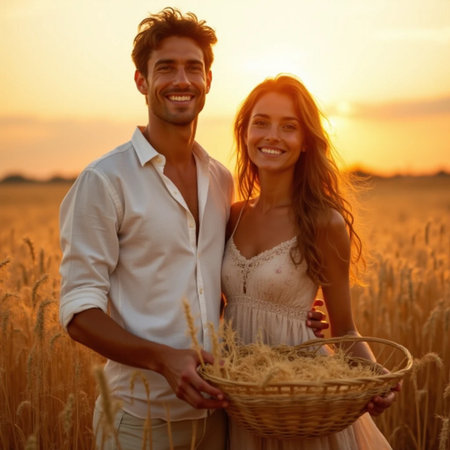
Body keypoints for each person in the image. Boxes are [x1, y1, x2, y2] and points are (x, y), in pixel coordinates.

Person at [58, 8, 326, 450]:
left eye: (193, 68)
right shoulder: (104, 181)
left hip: (225, 412)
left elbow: (213, 290)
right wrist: (163, 360)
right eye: (165, 68)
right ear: (142, 81)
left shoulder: (220, 178)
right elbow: (79, 314)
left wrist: (285, 309)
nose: (181, 80)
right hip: (142, 419)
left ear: (208, 80)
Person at [221, 74, 398, 449]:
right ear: (245, 132)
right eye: (261, 122)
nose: (272, 136)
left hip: (300, 396)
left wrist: (374, 375)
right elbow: (213, 302)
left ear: (305, 143)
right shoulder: (231, 215)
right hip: (240, 395)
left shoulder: (322, 222)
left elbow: (344, 329)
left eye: (289, 127)